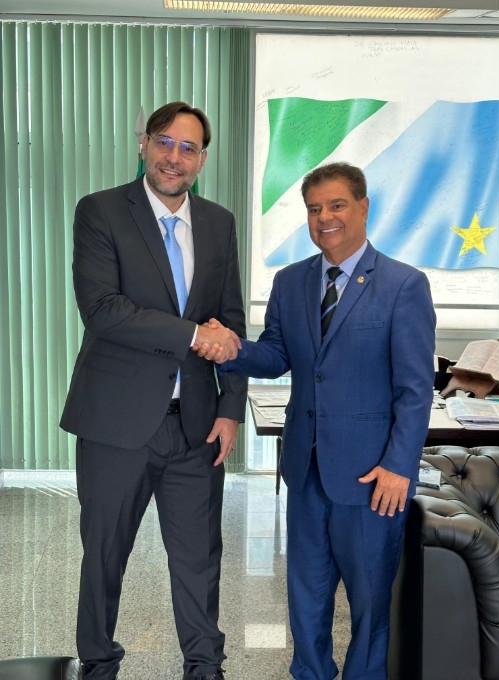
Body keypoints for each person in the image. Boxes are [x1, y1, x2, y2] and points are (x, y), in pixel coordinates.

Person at [198, 162, 436, 680]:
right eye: (314, 208)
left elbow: (416, 391)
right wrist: (233, 350)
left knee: (370, 605)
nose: (324, 217)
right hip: (305, 470)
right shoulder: (290, 281)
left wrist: (399, 466)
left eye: (337, 205)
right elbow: (277, 355)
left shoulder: (404, 285)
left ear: (363, 207)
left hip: (372, 478)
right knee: (306, 596)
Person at [60, 101, 248, 680]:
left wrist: (230, 409)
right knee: (105, 556)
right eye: (164, 142)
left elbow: (231, 323)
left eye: (188, 148)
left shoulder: (218, 223)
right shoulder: (100, 211)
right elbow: (103, 309)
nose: (174, 157)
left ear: (202, 160)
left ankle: (205, 665)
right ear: (143, 145)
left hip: (196, 425)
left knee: (200, 559)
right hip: (116, 423)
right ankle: (98, 662)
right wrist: (193, 335)